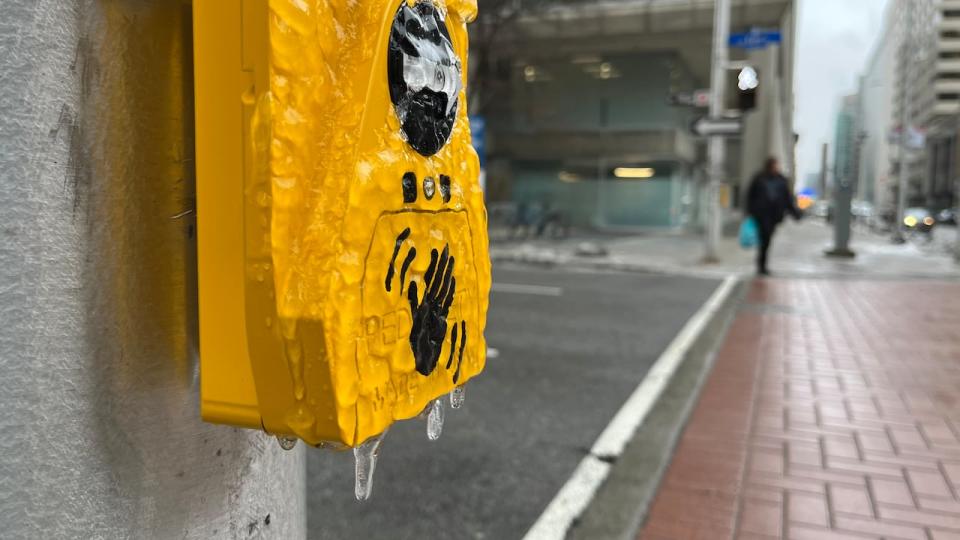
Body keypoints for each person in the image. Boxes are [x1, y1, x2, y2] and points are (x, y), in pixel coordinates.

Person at [746, 157, 801, 275]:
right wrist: (750, 211)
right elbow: (750, 196)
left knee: (767, 239)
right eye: (775, 165)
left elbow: (787, 199)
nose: (777, 167)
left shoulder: (781, 180)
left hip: (774, 216)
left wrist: (795, 213)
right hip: (761, 214)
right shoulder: (759, 178)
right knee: (764, 238)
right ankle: (761, 265)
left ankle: (762, 264)